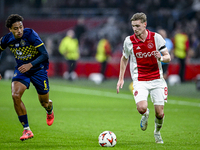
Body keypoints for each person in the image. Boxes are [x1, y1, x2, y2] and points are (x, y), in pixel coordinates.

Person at [116, 12, 171, 144]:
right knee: (141, 107)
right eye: (133, 26)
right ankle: (145, 114)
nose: (135, 29)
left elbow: (168, 57)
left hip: (157, 80)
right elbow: (124, 59)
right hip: (140, 80)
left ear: (145, 24)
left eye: (138, 26)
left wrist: (161, 58)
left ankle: (157, 132)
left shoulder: (156, 38)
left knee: (160, 113)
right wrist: (121, 78)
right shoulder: (129, 41)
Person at [0, 14, 54, 141]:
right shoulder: (6, 39)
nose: (19, 30)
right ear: (10, 29)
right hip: (22, 70)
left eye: (21, 27)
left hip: (38, 69)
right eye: (15, 28)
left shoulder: (30, 34)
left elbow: (45, 54)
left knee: (44, 102)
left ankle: (49, 109)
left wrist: (30, 65)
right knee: (15, 95)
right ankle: (27, 130)